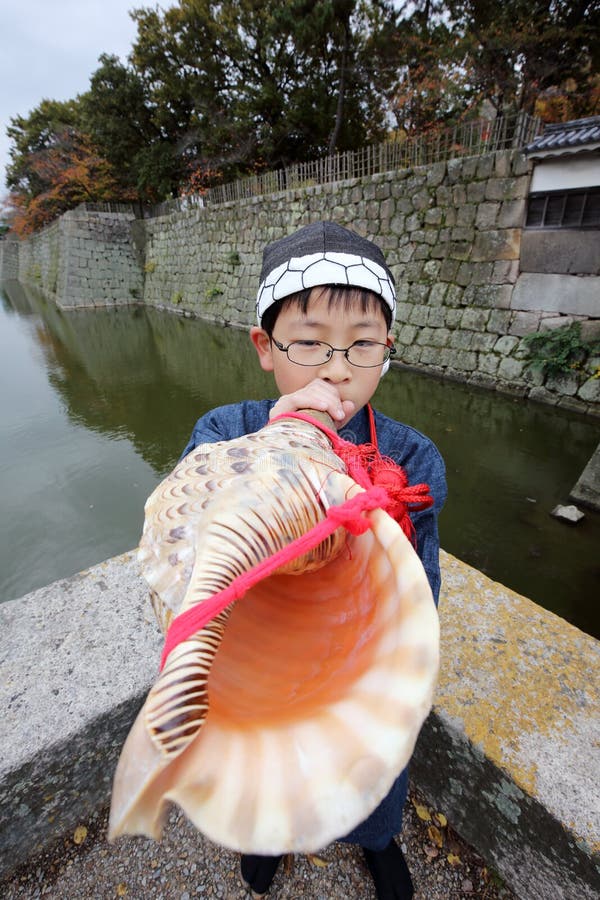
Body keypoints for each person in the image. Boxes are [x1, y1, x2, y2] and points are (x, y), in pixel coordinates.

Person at [180, 221, 447, 900]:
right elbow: (194, 522)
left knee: (377, 760)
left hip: (361, 647)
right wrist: (282, 443)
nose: (337, 368)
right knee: (271, 756)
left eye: (363, 344)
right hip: (260, 649)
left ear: (388, 349)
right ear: (265, 348)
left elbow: (421, 576)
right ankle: (272, 835)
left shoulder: (412, 460)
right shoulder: (227, 432)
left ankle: (379, 839)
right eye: (310, 342)